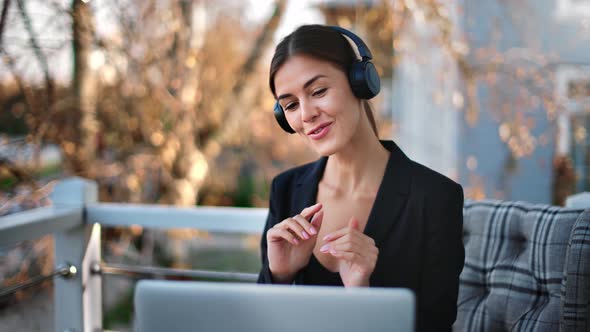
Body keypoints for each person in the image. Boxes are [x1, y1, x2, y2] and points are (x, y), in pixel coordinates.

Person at [257, 24, 465, 331]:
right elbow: (261, 321)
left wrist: (363, 296)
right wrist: (279, 275)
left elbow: (435, 325)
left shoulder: (435, 198)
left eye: (318, 91)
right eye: (290, 105)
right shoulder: (286, 188)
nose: (306, 115)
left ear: (360, 82)